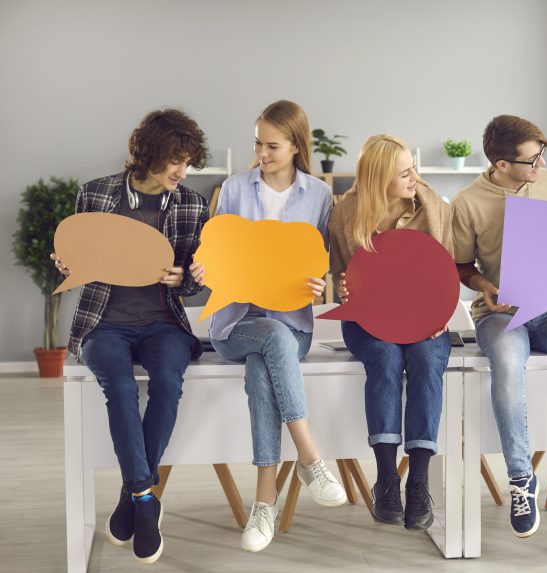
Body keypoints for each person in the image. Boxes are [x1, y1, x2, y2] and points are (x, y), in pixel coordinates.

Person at [51, 108, 210, 564]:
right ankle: (144, 496)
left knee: (168, 384)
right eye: (176, 161)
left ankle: (132, 496)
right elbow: (76, 260)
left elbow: (197, 279)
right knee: (119, 388)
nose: (182, 173)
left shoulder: (191, 205)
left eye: (188, 163)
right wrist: (65, 263)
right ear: (150, 154)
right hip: (104, 322)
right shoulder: (96, 194)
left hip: (164, 323)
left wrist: (186, 277)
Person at [194, 100, 346, 553]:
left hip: (292, 323)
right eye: (258, 143)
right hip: (236, 324)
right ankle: (310, 457)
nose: (262, 153)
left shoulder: (319, 195)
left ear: (297, 145)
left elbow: (320, 262)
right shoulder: (233, 189)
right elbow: (214, 252)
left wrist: (319, 282)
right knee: (269, 339)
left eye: (272, 146)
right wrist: (204, 269)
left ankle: (264, 503)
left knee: (265, 364)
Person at [451, 115, 547, 539]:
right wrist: (486, 287)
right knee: (506, 365)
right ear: (502, 164)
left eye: (542, 155)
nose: (540, 165)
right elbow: (461, 265)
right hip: (500, 313)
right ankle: (521, 478)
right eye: (531, 160)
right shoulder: (467, 202)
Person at [329, 134, 453, 530]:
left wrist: (442, 311)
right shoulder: (345, 213)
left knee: (425, 359)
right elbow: (340, 275)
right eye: (404, 173)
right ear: (380, 179)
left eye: (413, 168)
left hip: (425, 318)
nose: (414, 178)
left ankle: (418, 482)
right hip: (369, 320)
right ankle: (386, 479)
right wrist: (344, 288)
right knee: (383, 355)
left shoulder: (435, 207)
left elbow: (446, 271)